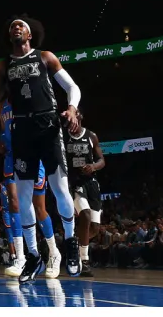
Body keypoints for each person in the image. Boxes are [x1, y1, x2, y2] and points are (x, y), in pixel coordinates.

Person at [0, 17, 83, 279]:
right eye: (12, 26)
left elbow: (72, 87)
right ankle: (34, 256)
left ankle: (70, 242)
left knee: (60, 190)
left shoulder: (45, 57)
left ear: (30, 34)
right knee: (22, 199)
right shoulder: (4, 66)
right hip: (22, 130)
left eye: (20, 25)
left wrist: (71, 108)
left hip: (48, 125)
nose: (16, 27)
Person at [0, 82, 60, 281]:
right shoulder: (1, 106)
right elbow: (3, 132)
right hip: (12, 157)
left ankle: (54, 252)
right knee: (14, 203)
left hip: (32, 155)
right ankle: (22, 258)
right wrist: (0, 144)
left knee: (39, 208)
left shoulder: (30, 99)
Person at [65, 110, 105, 276]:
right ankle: (85, 261)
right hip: (75, 182)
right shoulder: (63, 137)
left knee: (94, 228)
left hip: (91, 183)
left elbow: (102, 160)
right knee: (85, 215)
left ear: (79, 118)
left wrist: (93, 166)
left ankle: (74, 243)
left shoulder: (91, 136)